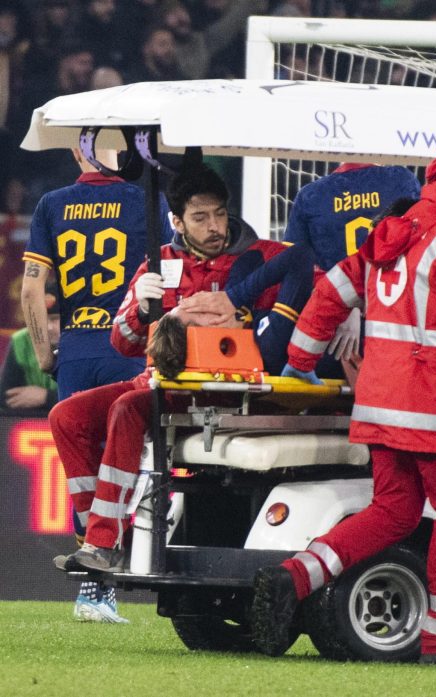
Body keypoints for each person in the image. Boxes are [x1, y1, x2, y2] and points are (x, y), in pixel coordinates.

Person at [251, 145, 436, 667]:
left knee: (393, 511)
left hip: (381, 407)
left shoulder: (392, 231)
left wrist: (301, 357)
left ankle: (296, 576)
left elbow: (331, 289)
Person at [51, 165, 291, 576]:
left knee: (128, 407)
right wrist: (143, 310)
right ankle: (99, 537)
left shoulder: (267, 258)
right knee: (66, 415)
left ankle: (104, 543)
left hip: (227, 389)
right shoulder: (158, 262)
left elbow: (310, 298)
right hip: (160, 383)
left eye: (219, 213)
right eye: (200, 218)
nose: (214, 226)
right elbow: (121, 342)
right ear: (176, 222)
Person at [20, 148, 161, 623]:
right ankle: (140, 570)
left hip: (77, 349)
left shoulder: (51, 203)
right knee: (131, 467)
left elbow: (30, 290)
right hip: (129, 343)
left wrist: (45, 355)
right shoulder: (145, 199)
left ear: (77, 151)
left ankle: (94, 593)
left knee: (82, 473)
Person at [284, 163, 422, 365]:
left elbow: (294, 264)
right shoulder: (402, 179)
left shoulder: (310, 195)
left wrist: (346, 305)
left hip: (333, 334)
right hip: (396, 326)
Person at [2, 296, 59, 413]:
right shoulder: (21, 340)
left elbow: (90, 399)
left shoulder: (82, 341)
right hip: (31, 424)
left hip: (72, 422)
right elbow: (6, 396)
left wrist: (46, 397)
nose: (48, 327)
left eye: (55, 319)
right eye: (41, 319)